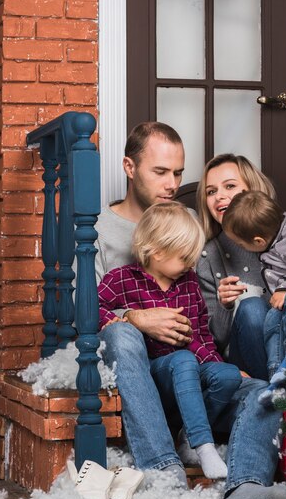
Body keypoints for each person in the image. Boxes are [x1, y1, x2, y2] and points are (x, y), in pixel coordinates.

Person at [97, 124, 286, 499]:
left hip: (198, 379)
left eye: (178, 173)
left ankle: (245, 485)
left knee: (262, 387)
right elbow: (91, 317)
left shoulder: (194, 247)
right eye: (161, 172)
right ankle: (163, 471)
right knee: (130, 337)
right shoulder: (101, 238)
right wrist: (135, 318)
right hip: (149, 372)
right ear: (129, 167)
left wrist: (224, 367)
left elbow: (202, 332)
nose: (173, 183)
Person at [98, 202, 242, 479]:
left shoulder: (188, 283)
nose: (191, 264)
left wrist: (214, 364)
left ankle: (188, 435)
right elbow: (94, 308)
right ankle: (204, 445)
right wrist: (118, 319)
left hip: (190, 372)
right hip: (155, 374)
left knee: (228, 375)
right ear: (156, 251)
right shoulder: (121, 279)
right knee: (183, 359)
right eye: (184, 257)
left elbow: (200, 333)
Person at [196, 154, 286, 381]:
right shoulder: (208, 256)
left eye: (229, 186)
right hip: (248, 365)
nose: (219, 196)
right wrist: (225, 305)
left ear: (252, 190)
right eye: (211, 191)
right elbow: (214, 340)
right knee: (252, 307)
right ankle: (276, 388)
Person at [222, 190, 286, 404]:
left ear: (259, 241)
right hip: (273, 313)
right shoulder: (279, 228)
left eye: (242, 245)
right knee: (270, 318)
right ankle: (276, 375)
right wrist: (225, 305)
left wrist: (285, 288)